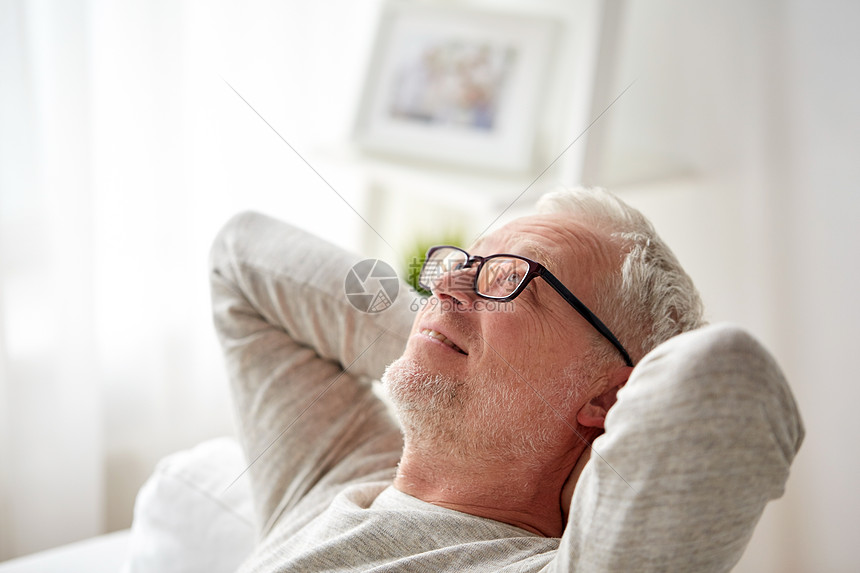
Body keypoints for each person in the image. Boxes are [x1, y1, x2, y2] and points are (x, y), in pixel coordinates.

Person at [209, 187, 803, 572]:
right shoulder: (335, 472)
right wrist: (437, 336)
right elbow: (240, 256)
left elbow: (725, 374)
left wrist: (581, 466)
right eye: (460, 264)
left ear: (609, 395)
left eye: (508, 278)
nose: (443, 285)